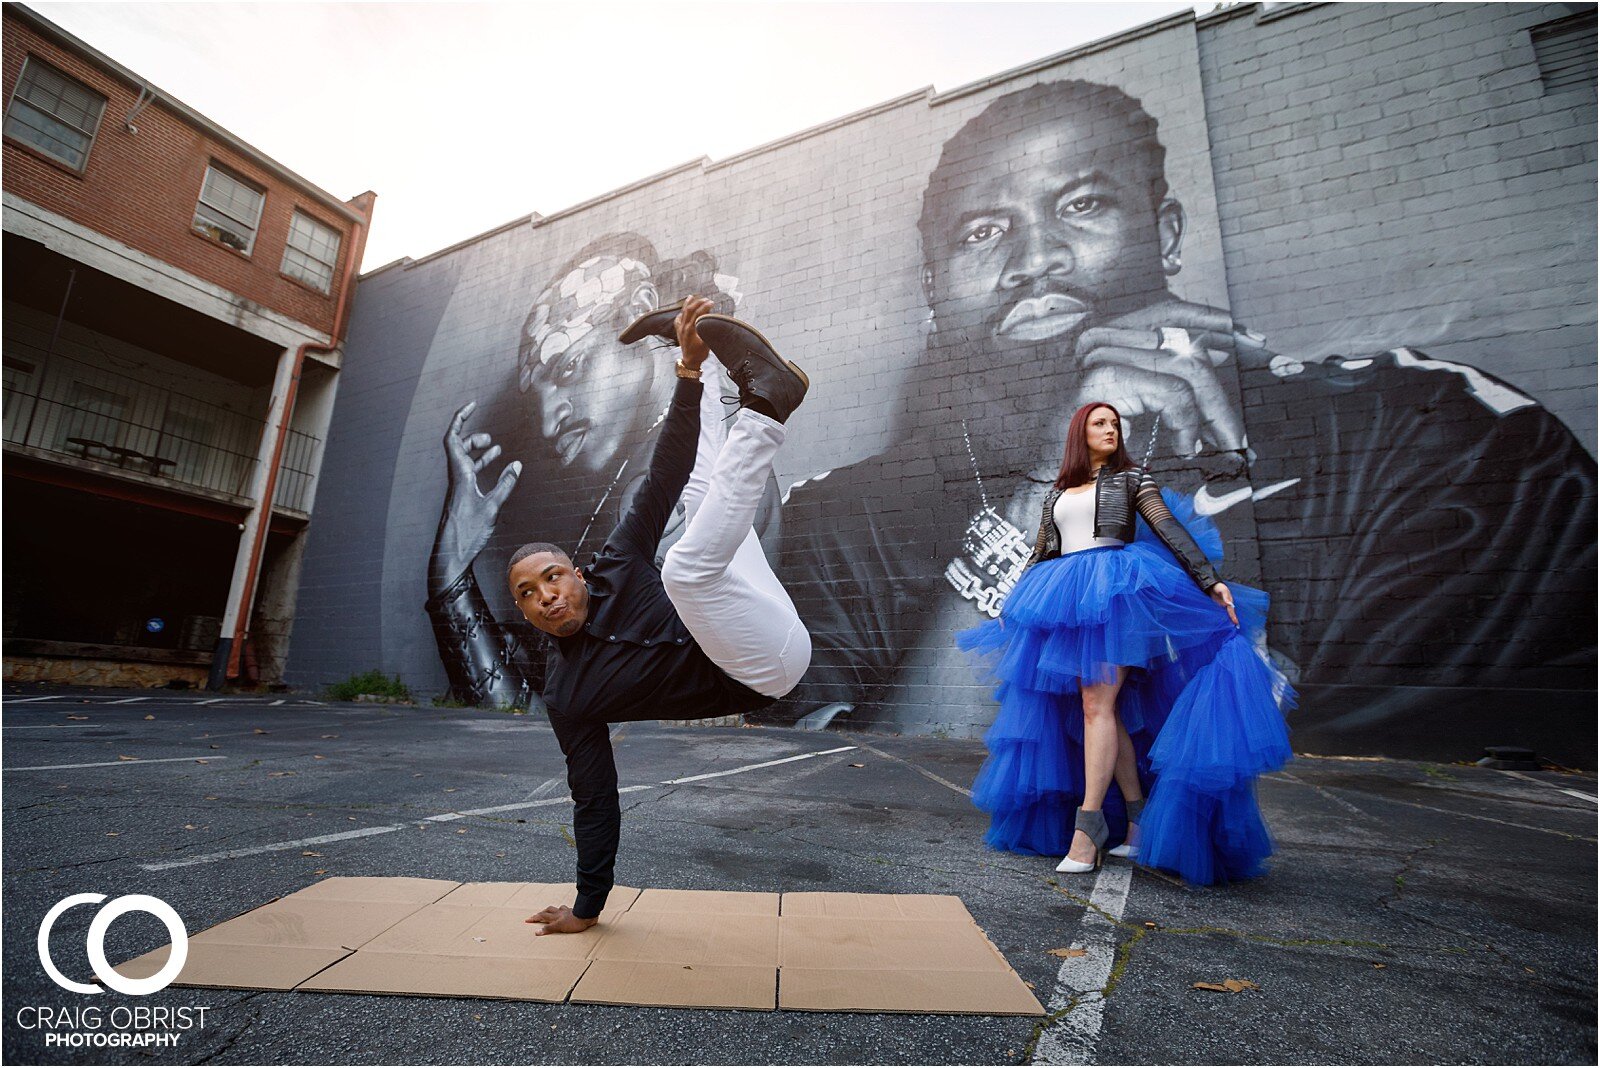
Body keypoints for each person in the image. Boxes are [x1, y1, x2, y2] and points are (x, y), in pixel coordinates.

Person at [769, 78, 1595, 736]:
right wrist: (1045, 502)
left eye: (1083, 205)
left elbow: (1397, 810)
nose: (1035, 258)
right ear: (933, 293)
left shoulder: (1419, 436)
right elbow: (886, 785)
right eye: (982, 231)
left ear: (1165, 233)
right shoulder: (843, 523)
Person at [513, 297, 813, 934]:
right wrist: (586, 906)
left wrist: (686, 370)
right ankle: (766, 407)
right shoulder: (568, 694)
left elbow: (666, 469)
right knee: (684, 568)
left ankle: (698, 348)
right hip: (765, 668)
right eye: (528, 594)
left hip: (750, 611)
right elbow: (593, 798)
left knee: (696, 494)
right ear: (527, 613)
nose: (547, 596)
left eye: (552, 576)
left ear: (574, 571)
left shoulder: (617, 561)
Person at [424, 234, 781, 711]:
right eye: (540, 397)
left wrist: (449, 578)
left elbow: (532, 706)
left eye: (570, 368)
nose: (551, 421)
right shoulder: (647, 475)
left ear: (640, 304)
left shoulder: (660, 490)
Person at [958, 402, 1292, 883]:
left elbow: (1168, 528)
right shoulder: (1056, 494)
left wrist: (1208, 581)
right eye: (1100, 423)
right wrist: (1015, 606)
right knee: (1101, 711)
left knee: (1097, 706)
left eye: (1115, 424)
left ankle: (1089, 826)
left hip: (1112, 600)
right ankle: (1136, 820)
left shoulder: (1133, 480)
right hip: (1065, 602)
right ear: (1080, 432)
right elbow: (1041, 552)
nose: (1110, 429)